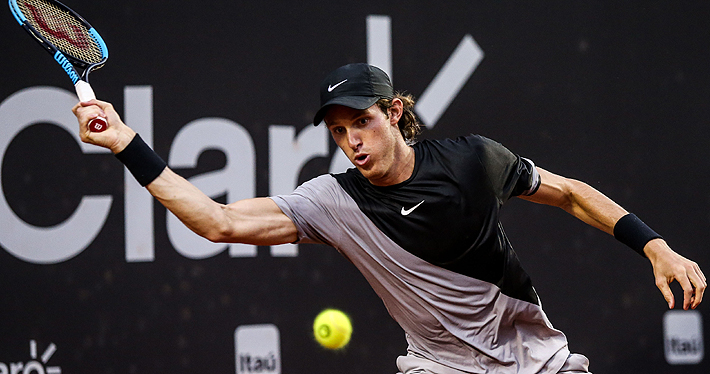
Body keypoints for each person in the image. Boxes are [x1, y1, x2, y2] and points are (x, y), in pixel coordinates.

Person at [72, 63, 705, 374]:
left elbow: (567, 193)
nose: (352, 142)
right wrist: (127, 142)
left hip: (537, 360)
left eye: (362, 122)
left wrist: (654, 247)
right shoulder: (332, 201)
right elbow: (217, 222)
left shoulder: (473, 161)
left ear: (396, 111)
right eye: (339, 131)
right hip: (438, 369)